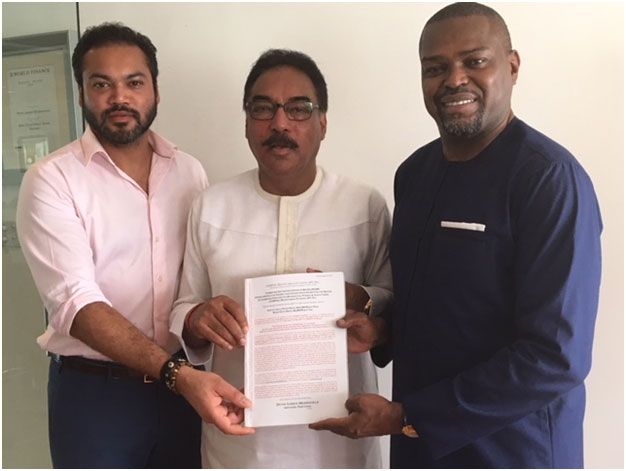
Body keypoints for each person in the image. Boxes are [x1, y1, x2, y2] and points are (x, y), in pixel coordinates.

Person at [310, 2, 603, 468]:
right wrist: (380, 328)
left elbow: (555, 355)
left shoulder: (548, 180)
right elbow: (437, 306)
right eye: (436, 67)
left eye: (475, 61)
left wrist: (407, 414)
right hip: (418, 447)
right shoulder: (415, 174)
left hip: (513, 451)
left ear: (512, 66)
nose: (454, 79)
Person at [16, 22, 252, 469]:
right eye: (101, 83)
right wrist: (174, 373)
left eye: (134, 82)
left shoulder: (190, 173)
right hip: (96, 397)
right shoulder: (52, 179)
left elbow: (197, 282)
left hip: (186, 390)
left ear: (156, 92)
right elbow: (76, 305)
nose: (119, 97)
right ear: (82, 93)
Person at [170, 48, 393, 468]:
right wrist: (199, 318)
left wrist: (360, 300)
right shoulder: (211, 206)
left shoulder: (363, 204)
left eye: (298, 109)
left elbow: (391, 300)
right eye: (263, 108)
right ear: (247, 123)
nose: (279, 123)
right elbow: (184, 306)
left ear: (323, 123)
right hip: (239, 442)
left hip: (340, 442)